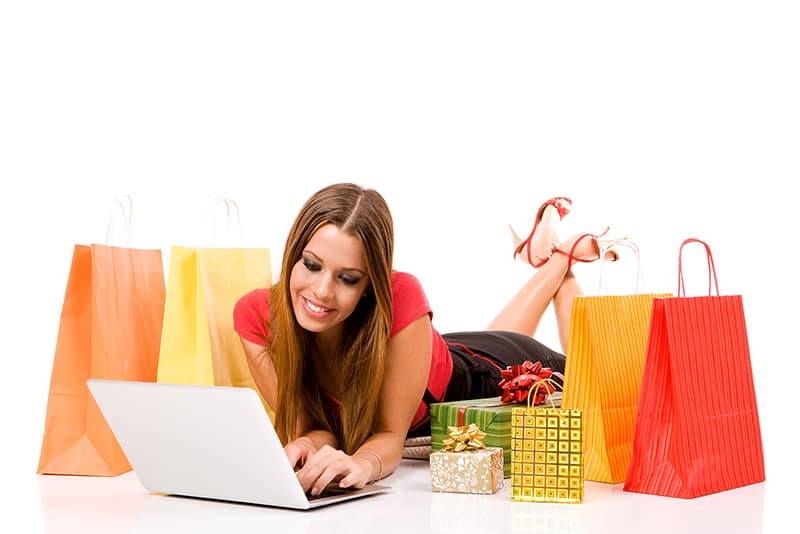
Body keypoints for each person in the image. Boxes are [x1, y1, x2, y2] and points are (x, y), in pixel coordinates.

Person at [233, 184, 611, 496]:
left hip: (485, 380)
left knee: (595, 371)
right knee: (496, 335)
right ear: (293, 255)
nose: (321, 292)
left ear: (370, 286)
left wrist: (362, 463)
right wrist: (306, 446)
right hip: (439, 353)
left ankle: (562, 257)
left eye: (347, 278)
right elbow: (316, 427)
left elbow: (387, 436)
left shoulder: (401, 296)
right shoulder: (257, 318)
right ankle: (556, 257)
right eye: (311, 265)